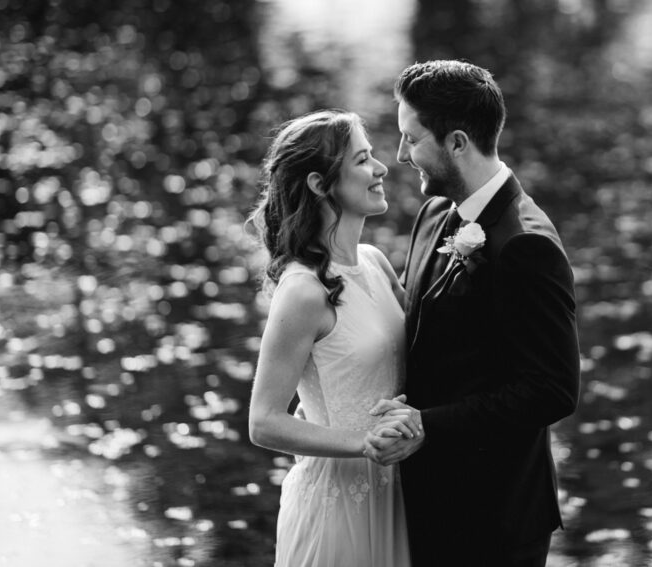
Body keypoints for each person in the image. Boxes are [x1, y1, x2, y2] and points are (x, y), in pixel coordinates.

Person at [364, 60, 581, 567]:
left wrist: (426, 424)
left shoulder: (526, 245)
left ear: (457, 142)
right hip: (427, 502)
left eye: (412, 139)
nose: (399, 155)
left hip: (494, 520)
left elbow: (552, 390)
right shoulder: (436, 212)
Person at [247, 109, 418, 567]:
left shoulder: (376, 262)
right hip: (339, 506)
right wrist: (363, 441)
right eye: (363, 160)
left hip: (401, 494)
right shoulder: (303, 291)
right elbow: (263, 422)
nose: (381, 168)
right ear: (321, 185)